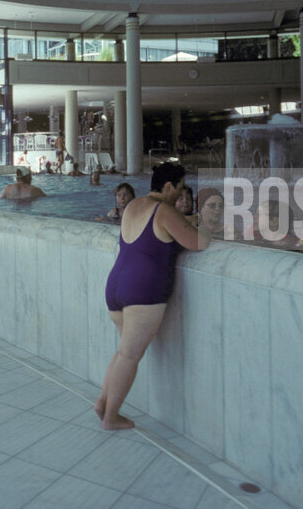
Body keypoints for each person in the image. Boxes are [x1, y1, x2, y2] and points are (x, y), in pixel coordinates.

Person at [97, 162, 210, 430]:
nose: (181, 194)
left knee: (123, 351)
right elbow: (198, 243)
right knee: (129, 356)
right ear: (168, 186)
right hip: (142, 290)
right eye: (180, 188)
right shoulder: (164, 210)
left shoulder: (134, 206)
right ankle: (111, 417)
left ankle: (102, 403)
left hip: (115, 286)